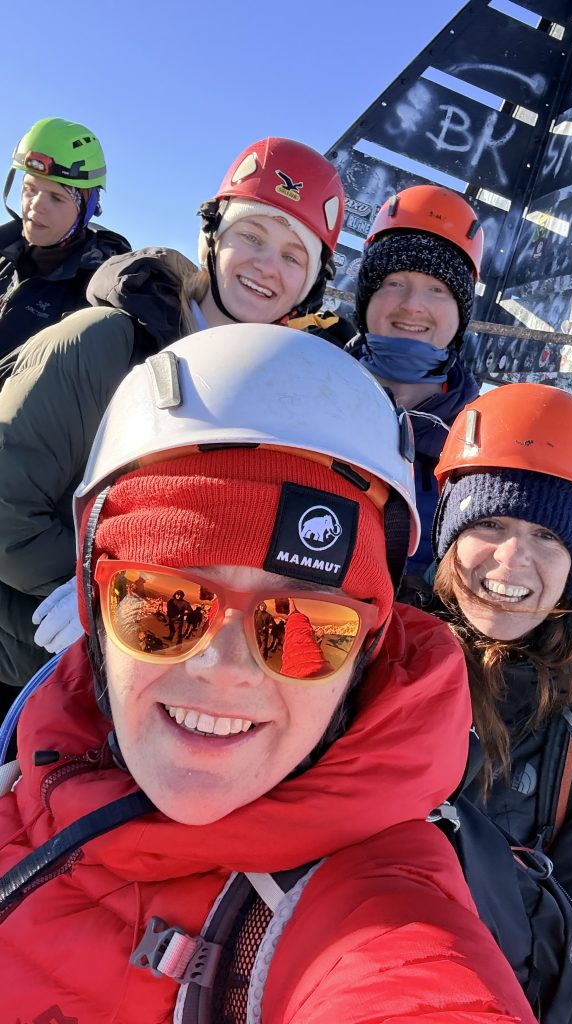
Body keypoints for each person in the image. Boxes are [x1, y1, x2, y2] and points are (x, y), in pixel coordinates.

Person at [0, 323, 534, 1024]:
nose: (225, 670)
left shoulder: (375, 903)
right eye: (163, 605)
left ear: (364, 658)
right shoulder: (28, 778)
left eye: (306, 628)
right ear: (96, 614)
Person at [0, 137, 346, 695]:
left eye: (292, 255)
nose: (266, 266)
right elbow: (6, 507)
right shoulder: (106, 343)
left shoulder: (279, 406)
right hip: (27, 669)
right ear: (212, 237)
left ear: (309, 285)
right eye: (251, 236)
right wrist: (97, 585)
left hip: (147, 682)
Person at [420, 382, 572, 975]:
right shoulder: (375, 658)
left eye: (548, 535)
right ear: (448, 537)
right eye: (491, 524)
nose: (512, 559)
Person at [348, 183, 483, 574]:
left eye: (437, 289)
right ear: (366, 299)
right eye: (394, 283)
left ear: (461, 315)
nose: (413, 305)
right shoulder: (303, 394)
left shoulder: (482, 447)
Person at [0, 117, 130, 358]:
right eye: (30, 189)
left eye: (56, 198)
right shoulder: (5, 257)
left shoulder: (97, 292)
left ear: (86, 208)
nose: (36, 206)